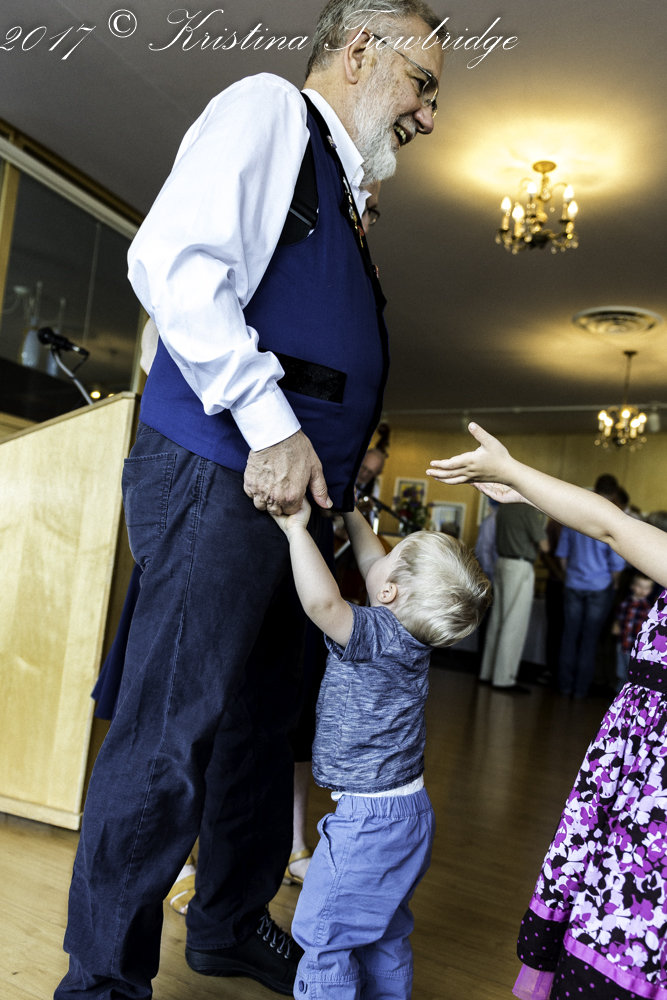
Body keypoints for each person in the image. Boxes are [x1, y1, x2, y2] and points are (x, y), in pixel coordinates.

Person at [56, 4, 445, 997]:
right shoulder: (269, 108)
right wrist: (271, 426)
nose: (427, 115)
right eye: (422, 84)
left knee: (261, 727)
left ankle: (227, 922)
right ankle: (100, 982)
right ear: (361, 50)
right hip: (223, 470)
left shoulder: (342, 190)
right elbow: (174, 265)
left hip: (289, 501)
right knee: (168, 728)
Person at [428, 422, 667, 1000]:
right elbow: (611, 524)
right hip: (631, 779)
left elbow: (612, 526)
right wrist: (524, 489)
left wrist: (514, 472)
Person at [270, 498, 490, 999]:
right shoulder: (414, 636)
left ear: (388, 591)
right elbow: (373, 561)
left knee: (323, 933)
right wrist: (350, 512)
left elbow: (324, 605)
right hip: (410, 813)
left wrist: (297, 531)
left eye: (392, 555)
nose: (379, 554)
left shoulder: (375, 633)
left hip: (367, 824)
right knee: (385, 929)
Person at [555, 480, 626, 698]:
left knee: (569, 636)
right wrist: (614, 582)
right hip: (599, 586)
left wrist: (570, 576)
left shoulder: (574, 516)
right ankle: (580, 690)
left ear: (595, 489)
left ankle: (564, 686)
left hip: (574, 583)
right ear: (614, 494)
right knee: (589, 639)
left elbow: (562, 556)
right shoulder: (610, 518)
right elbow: (617, 564)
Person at [479, 499, 549, 693]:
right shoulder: (527, 510)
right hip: (519, 565)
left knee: (497, 622)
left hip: (501, 563)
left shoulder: (503, 508)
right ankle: (504, 678)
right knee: (513, 623)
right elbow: (545, 546)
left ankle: (488, 672)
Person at [612, 570, 653, 690]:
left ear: (650, 590)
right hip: (622, 645)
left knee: (631, 676)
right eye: (639, 586)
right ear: (632, 586)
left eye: (646, 588)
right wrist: (616, 624)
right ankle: (618, 695)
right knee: (620, 673)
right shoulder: (624, 604)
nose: (642, 590)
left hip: (637, 649)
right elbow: (618, 617)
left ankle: (626, 698)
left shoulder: (648, 609)